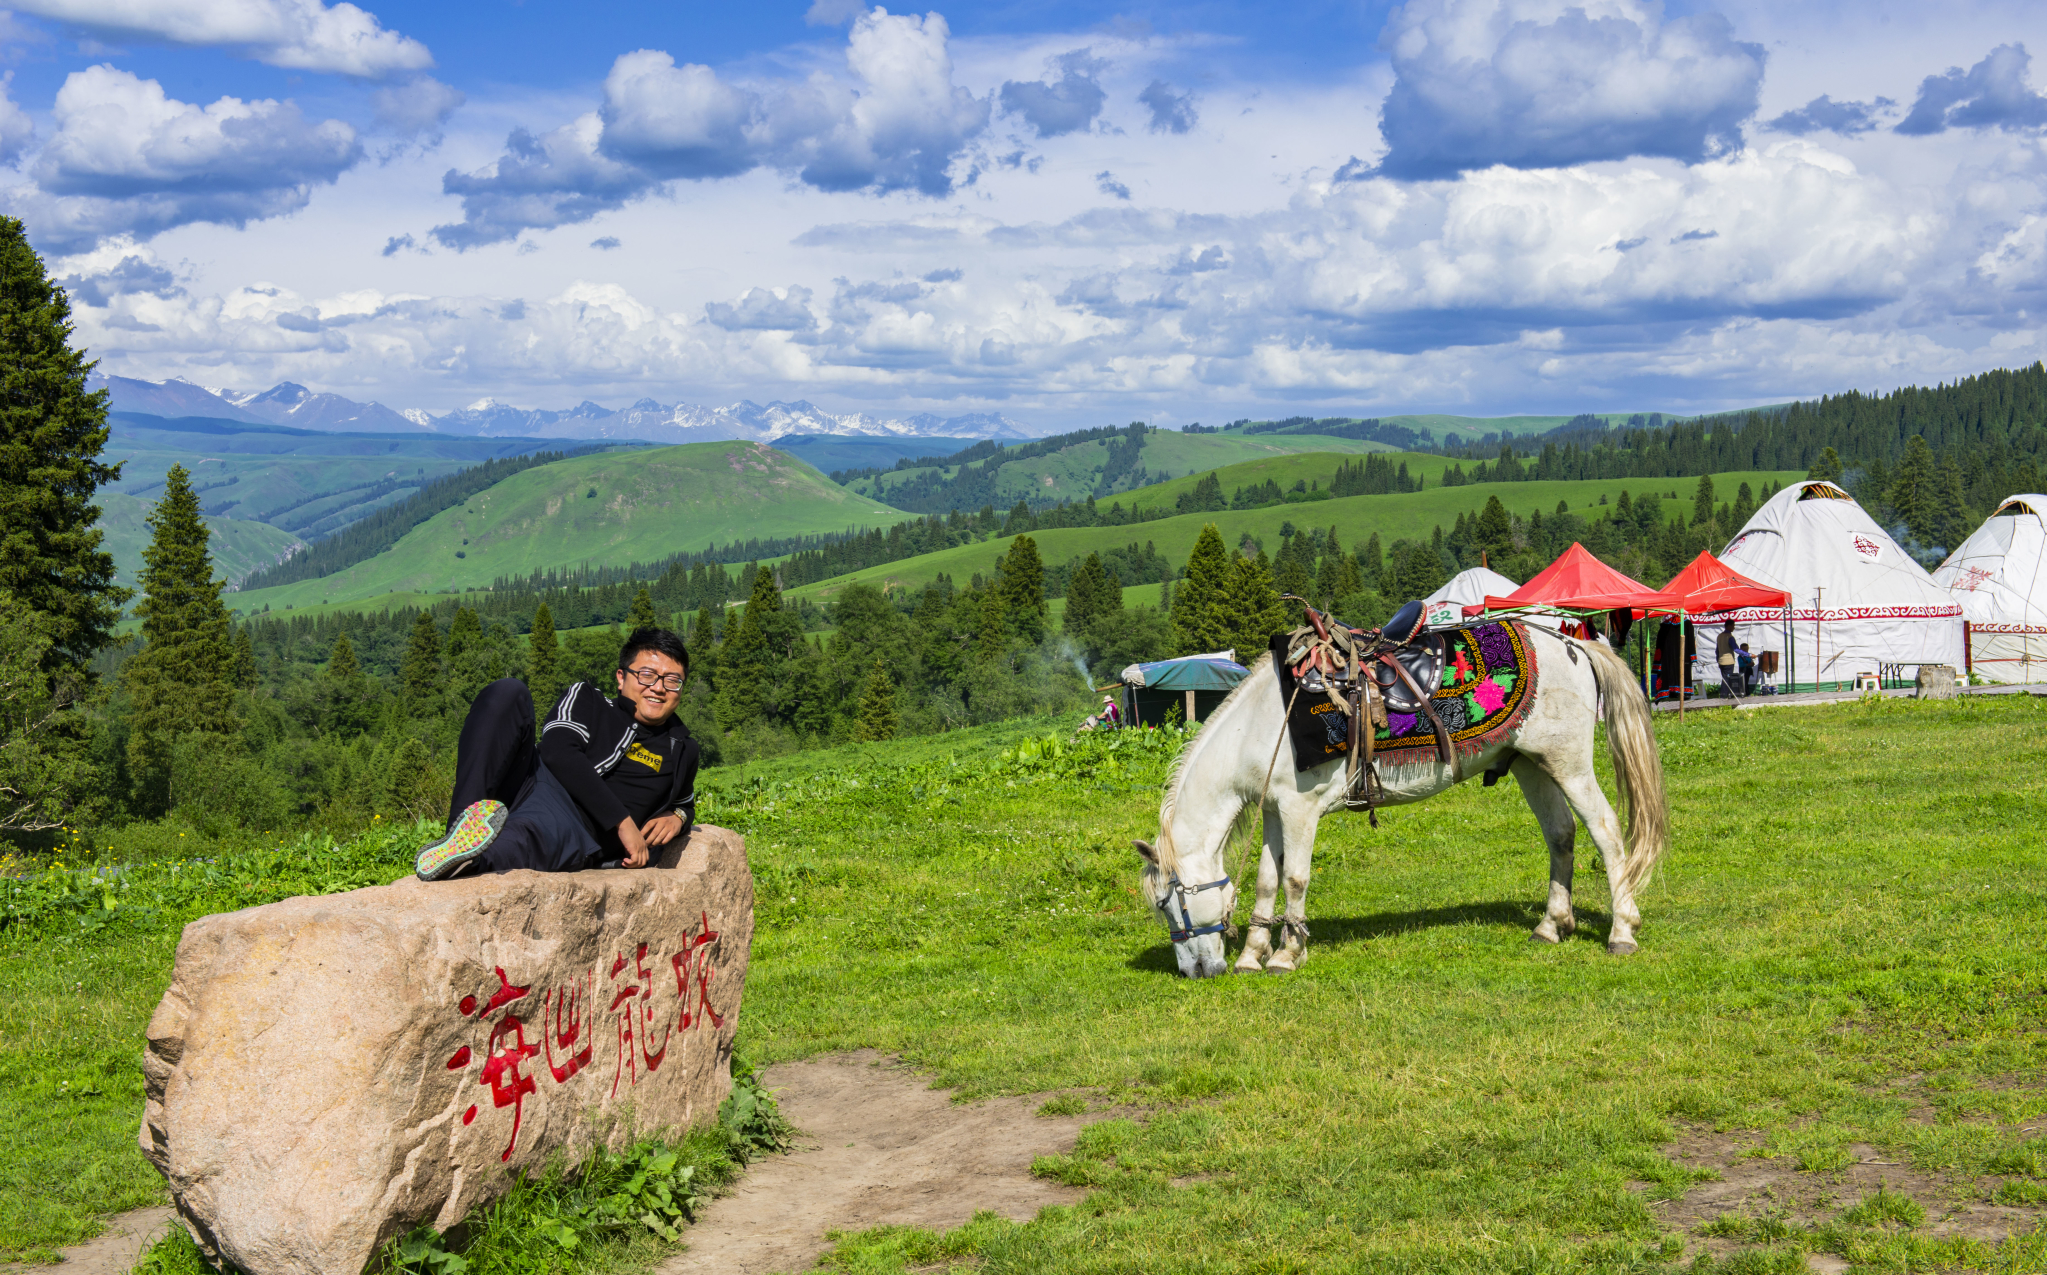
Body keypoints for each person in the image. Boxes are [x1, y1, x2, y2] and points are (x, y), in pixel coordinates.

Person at [414, 627, 701, 880]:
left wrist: (678, 817)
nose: (659, 688)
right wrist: (622, 822)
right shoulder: (589, 699)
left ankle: (466, 859)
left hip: (574, 825)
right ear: (621, 677)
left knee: (523, 839)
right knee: (508, 692)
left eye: (672, 680)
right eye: (647, 675)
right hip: (532, 777)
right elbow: (558, 751)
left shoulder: (682, 748)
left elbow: (684, 803)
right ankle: (461, 830)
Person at [1715, 619, 1743, 701]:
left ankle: (1726, 695)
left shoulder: (1719, 636)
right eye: (1733, 626)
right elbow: (1736, 649)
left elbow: (1717, 650)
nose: (1734, 627)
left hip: (1721, 661)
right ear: (1729, 626)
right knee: (1727, 679)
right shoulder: (1729, 637)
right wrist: (1748, 654)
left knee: (1724, 678)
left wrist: (1718, 659)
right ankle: (1723, 696)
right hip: (1728, 661)